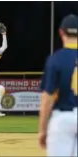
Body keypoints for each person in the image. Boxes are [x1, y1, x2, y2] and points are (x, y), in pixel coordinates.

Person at [39, 14, 78, 156]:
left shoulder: (56, 59)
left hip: (63, 119)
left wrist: (42, 130)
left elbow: (47, 98)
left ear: (61, 32)